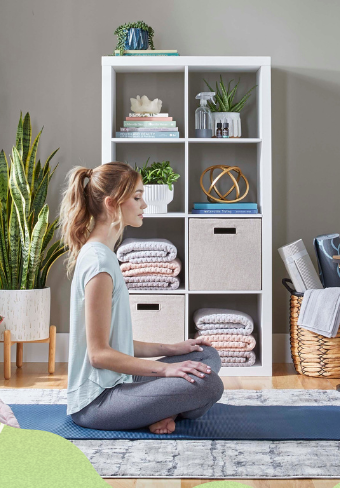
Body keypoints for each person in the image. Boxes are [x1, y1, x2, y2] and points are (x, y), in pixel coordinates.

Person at [58, 161, 223, 434]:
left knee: (205, 356)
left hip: (120, 380)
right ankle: (162, 412)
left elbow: (116, 343)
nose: (144, 205)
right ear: (112, 204)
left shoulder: (105, 255)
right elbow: (98, 355)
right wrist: (165, 371)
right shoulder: (99, 264)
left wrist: (171, 350)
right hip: (98, 401)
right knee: (209, 385)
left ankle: (160, 411)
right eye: (137, 197)